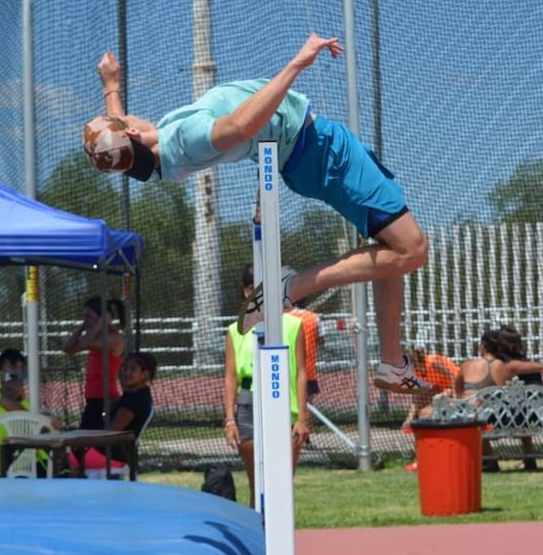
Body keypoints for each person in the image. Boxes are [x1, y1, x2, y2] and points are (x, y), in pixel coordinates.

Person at [84, 33, 429, 394]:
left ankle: (393, 362)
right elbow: (239, 127)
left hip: (308, 157)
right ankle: (290, 288)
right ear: (133, 133)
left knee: (392, 249)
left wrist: (111, 85)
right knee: (413, 250)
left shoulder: (154, 153)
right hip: (323, 152)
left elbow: (119, 136)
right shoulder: (187, 138)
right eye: (124, 122)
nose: (129, 118)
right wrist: (298, 63)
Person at [223, 264, 309, 508]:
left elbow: (301, 372)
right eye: (253, 288)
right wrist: (230, 419)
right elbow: (230, 376)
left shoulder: (293, 325)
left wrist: (303, 417)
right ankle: (258, 529)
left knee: (282, 483)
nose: (257, 294)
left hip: (285, 404)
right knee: (257, 484)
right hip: (249, 404)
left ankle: (281, 530)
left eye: (263, 288)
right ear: (245, 291)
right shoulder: (235, 330)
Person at [455, 329, 543, 472]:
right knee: (520, 407)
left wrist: (470, 396)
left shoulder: (466, 366)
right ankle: (529, 457)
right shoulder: (507, 367)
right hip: (499, 420)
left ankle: (489, 459)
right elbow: (538, 366)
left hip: (474, 420)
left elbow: (458, 392)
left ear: (483, 346)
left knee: (475, 412)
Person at [69, 351, 157, 475]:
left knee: (65, 457)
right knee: (70, 453)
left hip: (113, 456)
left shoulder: (136, 399)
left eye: (133, 369)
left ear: (145, 374)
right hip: (111, 453)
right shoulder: (135, 395)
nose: (126, 372)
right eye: (125, 367)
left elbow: (111, 431)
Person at [63, 297, 126, 430]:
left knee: (89, 439)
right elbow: (67, 348)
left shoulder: (114, 338)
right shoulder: (94, 337)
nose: (86, 320)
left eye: (89, 316)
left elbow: (85, 343)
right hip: (93, 399)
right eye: (84, 316)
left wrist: (101, 322)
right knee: (84, 439)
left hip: (105, 399)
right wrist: (82, 326)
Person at [402, 345, 460, 430]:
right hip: (443, 385)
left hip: (458, 382)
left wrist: (455, 398)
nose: (411, 364)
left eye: (412, 360)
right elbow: (416, 398)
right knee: (422, 396)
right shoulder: (416, 372)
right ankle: (414, 422)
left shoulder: (432, 362)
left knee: (439, 398)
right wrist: (409, 418)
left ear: (418, 358)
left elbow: (453, 377)